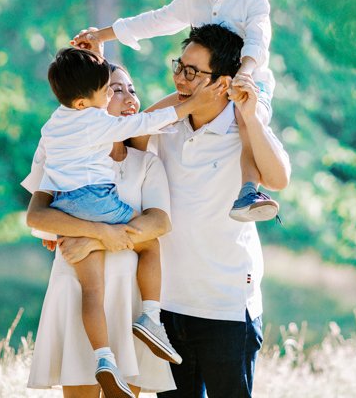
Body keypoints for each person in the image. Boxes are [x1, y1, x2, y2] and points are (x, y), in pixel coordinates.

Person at [73, 24, 291, 398]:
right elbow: (118, 129)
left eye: (192, 72)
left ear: (223, 82)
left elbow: (278, 179)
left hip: (225, 305)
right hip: (166, 308)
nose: (179, 78)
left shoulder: (243, 128)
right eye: (179, 66)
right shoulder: (168, 121)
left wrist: (250, 116)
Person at [35, 48, 219, 398]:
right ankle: (146, 321)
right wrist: (193, 100)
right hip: (76, 287)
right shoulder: (70, 149)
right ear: (88, 101)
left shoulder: (143, 162)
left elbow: (159, 223)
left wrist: (94, 238)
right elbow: (39, 219)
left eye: (131, 89)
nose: (124, 97)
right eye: (113, 89)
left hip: (124, 291)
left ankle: (122, 341)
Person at [72, 0, 280, 223]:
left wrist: (246, 73)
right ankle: (107, 184)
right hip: (204, 86)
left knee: (243, 114)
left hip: (247, 84)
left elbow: (257, 40)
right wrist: (101, 34)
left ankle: (249, 188)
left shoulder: (253, 1)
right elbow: (155, 21)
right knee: (149, 119)